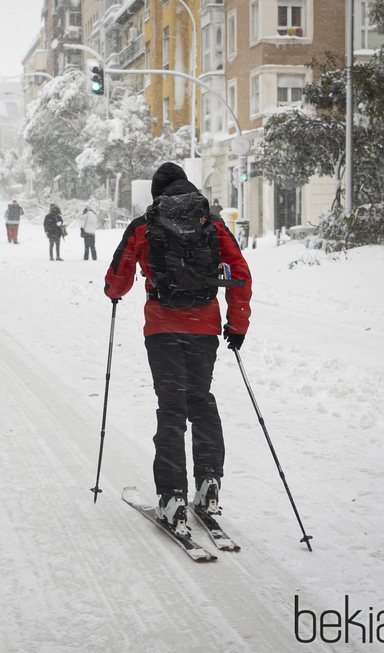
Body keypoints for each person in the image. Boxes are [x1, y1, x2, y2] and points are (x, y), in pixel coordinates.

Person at [103, 161, 252, 534]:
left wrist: (114, 292)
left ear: (156, 193)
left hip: (162, 330)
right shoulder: (211, 222)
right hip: (204, 329)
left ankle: (172, 497)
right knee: (200, 401)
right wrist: (237, 324)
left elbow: (117, 281)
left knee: (171, 410)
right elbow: (240, 274)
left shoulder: (144, 225)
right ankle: (209, 483)